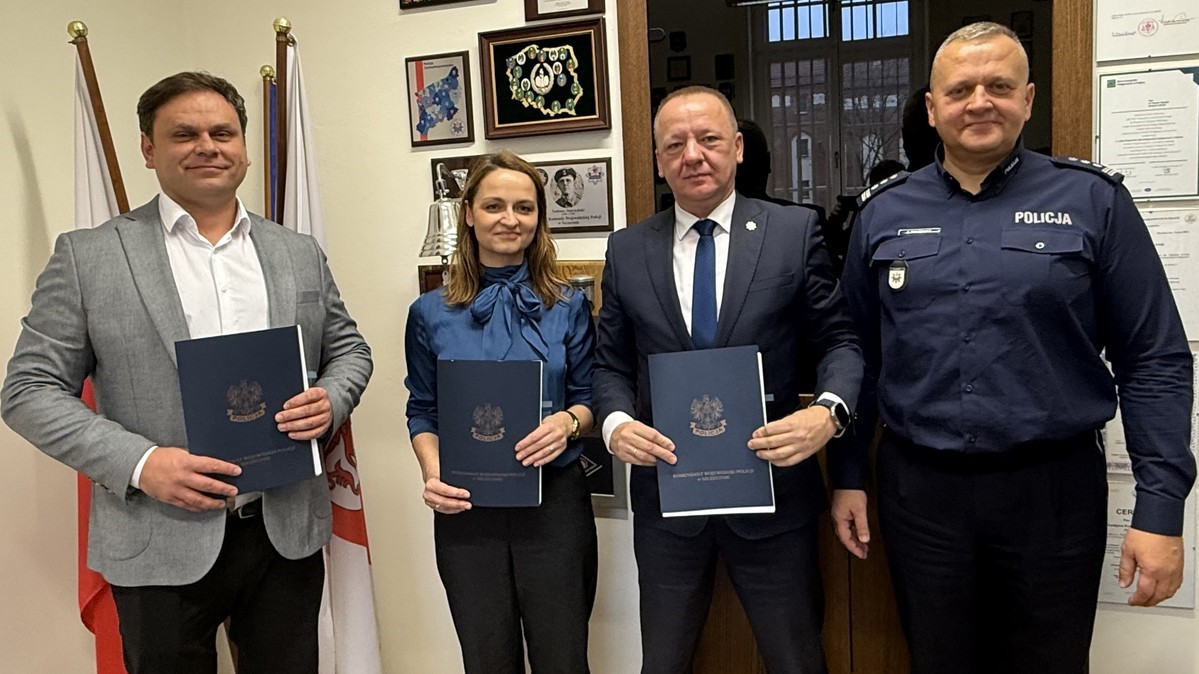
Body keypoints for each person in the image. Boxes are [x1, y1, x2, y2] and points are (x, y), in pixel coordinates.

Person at [836, 22, 1195, 674]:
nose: (979, 102)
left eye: (998, 86)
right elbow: (856, 353)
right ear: (932, 108)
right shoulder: (882, 213)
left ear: (1027, 99)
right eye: (960, 90)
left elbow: (1154, 359)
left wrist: (1160, 507)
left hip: (1052, 493)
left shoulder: (1092, 201)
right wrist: (847, 474)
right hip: (921, 494)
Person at [1, 71, 372, 673]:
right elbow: (28, 390)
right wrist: (142, 463)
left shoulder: (296, 251)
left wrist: (331, 397)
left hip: (283, 531)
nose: (207, 146)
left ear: (244, 148)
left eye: (222, 133)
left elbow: (350, 350)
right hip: (157, 534)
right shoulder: (89, 256)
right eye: (184, 134)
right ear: (148, 149)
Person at [594, 85, 863, 673]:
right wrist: (615, 424)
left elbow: (840, 342)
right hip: (668, 502)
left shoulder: (793, 232)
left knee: (796, 660)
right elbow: (609, 363)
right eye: (675, 145)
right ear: (659, 161)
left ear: (737, 148)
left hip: (774, 497)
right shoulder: (627, 250)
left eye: (709, 139)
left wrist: (828, 412)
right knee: (663, 662)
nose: (693, 155)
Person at [405, 150, 598, 674]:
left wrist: (568, 423)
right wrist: (432, 472)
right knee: (487, 658)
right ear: (468, 213)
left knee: (564, 660)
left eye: (524, 207)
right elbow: (423, 409)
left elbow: (590, 398)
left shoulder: (569, 305)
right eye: (494, 206)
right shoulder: (428, 312)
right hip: (468, 508)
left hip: (555, 504)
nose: (510, 219)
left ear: (539, 218)